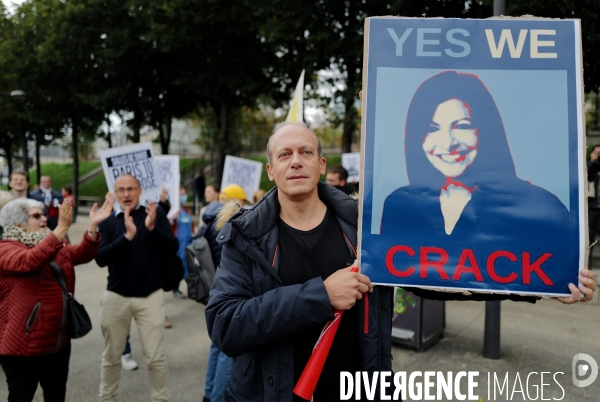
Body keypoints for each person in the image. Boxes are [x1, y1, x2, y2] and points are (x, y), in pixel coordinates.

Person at [205, 122, 391, 401]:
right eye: (284, 155)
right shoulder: (245, 237)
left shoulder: (364, 228)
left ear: (321, 164)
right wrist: (322, 296)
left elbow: (431, 274)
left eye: (305, 152)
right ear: (270, 171)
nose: (295, 162)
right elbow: (225, 324)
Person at [380, 71, 582, 297]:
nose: (448, 143)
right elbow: (407, 278)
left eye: (462, 126)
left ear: (486, 130)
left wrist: (565, 287)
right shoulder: (399, 204)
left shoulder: (541, 208)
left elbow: (541, 274)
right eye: (432, 128)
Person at [0, 197, 113, 402]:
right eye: (36, 216)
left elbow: (80, 254)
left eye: (43, 214)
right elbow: (29, 261)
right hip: (23, 345)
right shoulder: (6, 248)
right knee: (21, 397)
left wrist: (93, 228)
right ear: (17, 223)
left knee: (56, 394)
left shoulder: (49, 242)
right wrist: (61, 228)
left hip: (57, 341)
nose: (43, 218)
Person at [95, 174, 178, 402]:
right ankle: (106, 398)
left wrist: (152, 229)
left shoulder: (154, 213)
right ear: (115, 192)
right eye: (121, 190)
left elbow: (173, 246)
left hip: (149, 296)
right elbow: (100, 258)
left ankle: (161, 399)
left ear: (140, 190)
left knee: (155, 357)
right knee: (111, 357)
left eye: (131, 188)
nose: (126, 194)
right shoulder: (109, 219)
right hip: (116, 296)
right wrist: (126, 237)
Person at [170, 185, 195, 299]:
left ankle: (192, 290)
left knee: (188, 267)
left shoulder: (187, 210)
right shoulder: (172, 211)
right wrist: (172, 219)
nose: (183, 196)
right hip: (177, 245)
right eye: (181, 194)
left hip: (188, 244)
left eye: (184, 194)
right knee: (178, 268)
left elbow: (192, 226)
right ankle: (175, 288)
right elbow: (167, 225)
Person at [587, 144, 600, 269]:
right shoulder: (591, 168)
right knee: (589, 237)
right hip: (594, 206)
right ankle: (588, 264)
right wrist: (592, 161)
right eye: (597, 152)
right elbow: (583, 175)